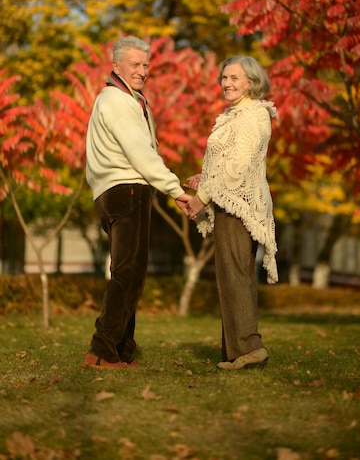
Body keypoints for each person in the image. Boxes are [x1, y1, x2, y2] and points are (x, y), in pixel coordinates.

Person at [82, 35, 191, 369]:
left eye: (145, 65)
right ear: (116, 66)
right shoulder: (117, 101)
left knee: (131, 271)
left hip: (116, 190)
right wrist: (176, 190)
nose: (142, 71)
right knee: (128, 273)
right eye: (135, 64)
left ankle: (121, 349)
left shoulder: (129, 99)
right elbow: (141, 153)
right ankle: (101, 350)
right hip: (126, 189)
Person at [186, 56, 278, 371]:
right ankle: (237, 351)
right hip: (229, 201)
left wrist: (201, 198)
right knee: (230, 275)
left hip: (240, 206)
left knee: (236, 275)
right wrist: (204, 179)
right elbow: (223, 164)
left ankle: (250, 349)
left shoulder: (252, 117)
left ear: (251, 81)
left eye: (234, 78)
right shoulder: (234, 116)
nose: (227, 83)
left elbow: (237, 169)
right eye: (224, 78)